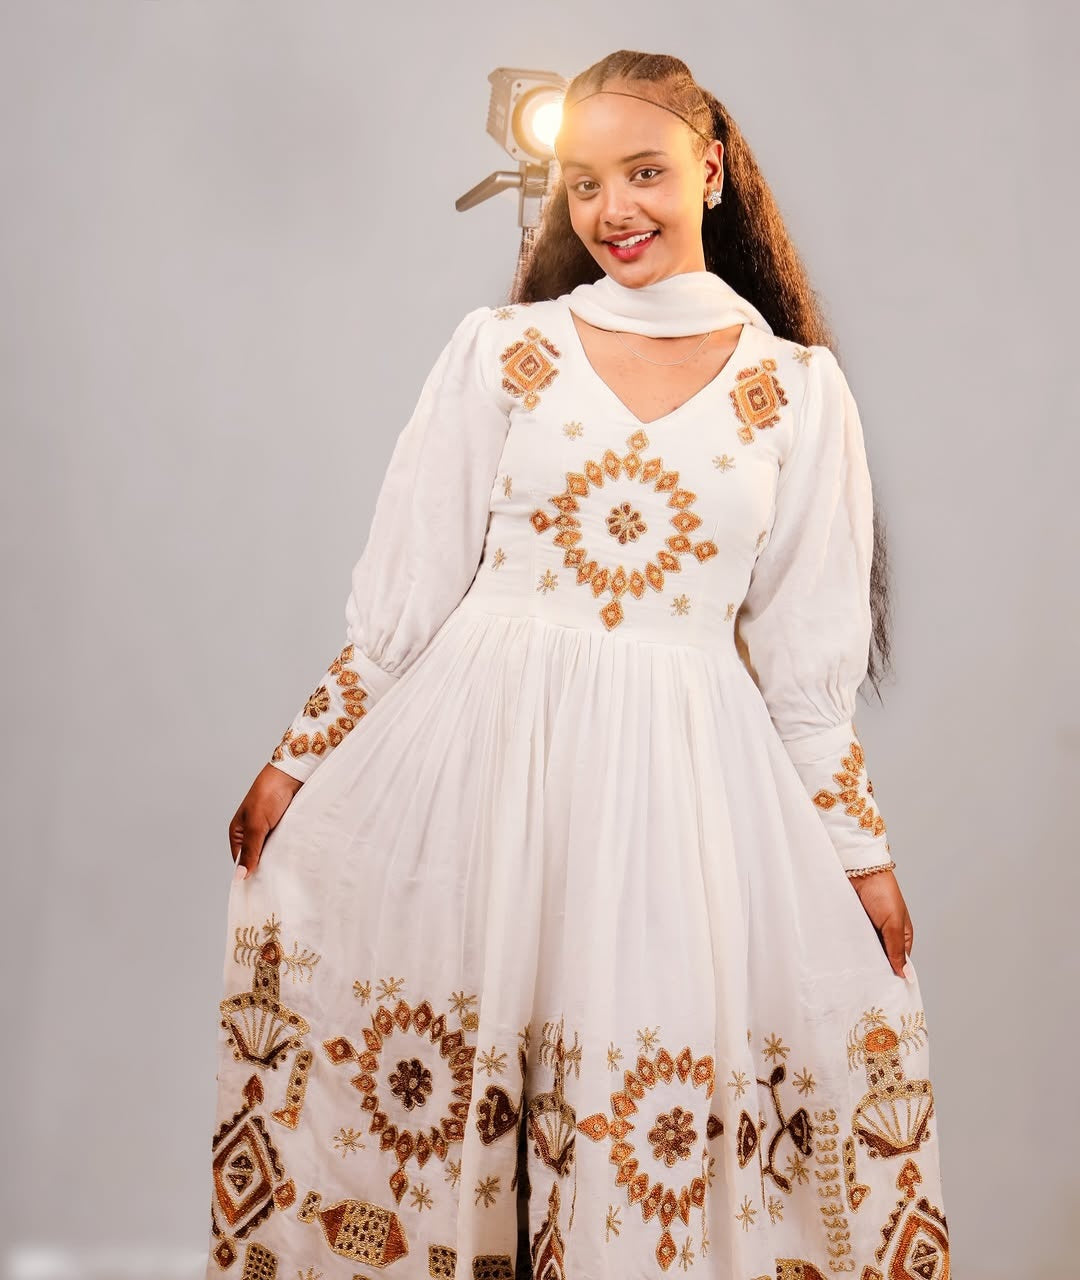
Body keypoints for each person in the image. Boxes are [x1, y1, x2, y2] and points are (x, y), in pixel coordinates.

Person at [207, 48, 949, 1280]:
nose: (614, 210)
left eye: (645, 172)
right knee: (462, 1091)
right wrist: (298, 763)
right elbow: (405, 593)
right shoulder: (505, 352)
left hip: (676, 805)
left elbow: (804, 675)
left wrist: (862, 862)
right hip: (485, 771)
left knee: (629, 1112)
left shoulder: (797, 395)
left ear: (710, 171)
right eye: (584, 181)